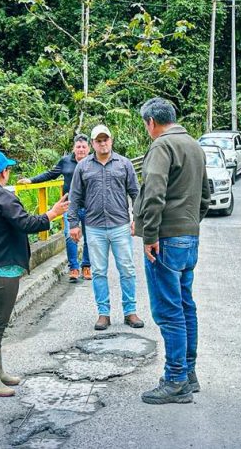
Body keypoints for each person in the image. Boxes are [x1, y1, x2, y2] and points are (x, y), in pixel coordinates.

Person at [0, 149, 69, 397]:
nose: (9, 172)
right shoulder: (2, 197)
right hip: (0, 270)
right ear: (3, 172)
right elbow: (26, 224)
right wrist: (52, 213)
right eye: (8, 169)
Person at [132, 97, 211, 405]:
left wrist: (150, 233)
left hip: (165, 238)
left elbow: (153, 189)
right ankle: (189, 374)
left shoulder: (162, 146)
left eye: (146, 125)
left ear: (151, 122)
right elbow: (205, 194)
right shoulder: (194, 145)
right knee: (185, 305)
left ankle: (176, 378)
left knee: (168, 310)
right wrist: (190, 223)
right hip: (189, 236)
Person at [67, 124, 144, 331]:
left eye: (105, 140)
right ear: (93, 144)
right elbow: (74, 197)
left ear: (111, 141)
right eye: (98, 141)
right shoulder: (83, 167)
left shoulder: (124, 164)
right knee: (99, 271)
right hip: (94, 227)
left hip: (120, 224)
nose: (103, 143)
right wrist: (73, 224)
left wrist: (137, 217)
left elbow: (135, 193)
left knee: (127, 269)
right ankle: (104, 313)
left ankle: (130, 311)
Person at [18, 135, 92, 282]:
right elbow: (51, 174)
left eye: (84, 147)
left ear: (89, 149)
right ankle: (74, 268)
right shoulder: (65, 162)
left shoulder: (93, 162)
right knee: (70, 236)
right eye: (78, 147)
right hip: (70, 206)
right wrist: (31, 180)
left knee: (90, 238)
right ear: (73, 148)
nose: (81, 150)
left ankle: (86, 266)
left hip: (90, 206)